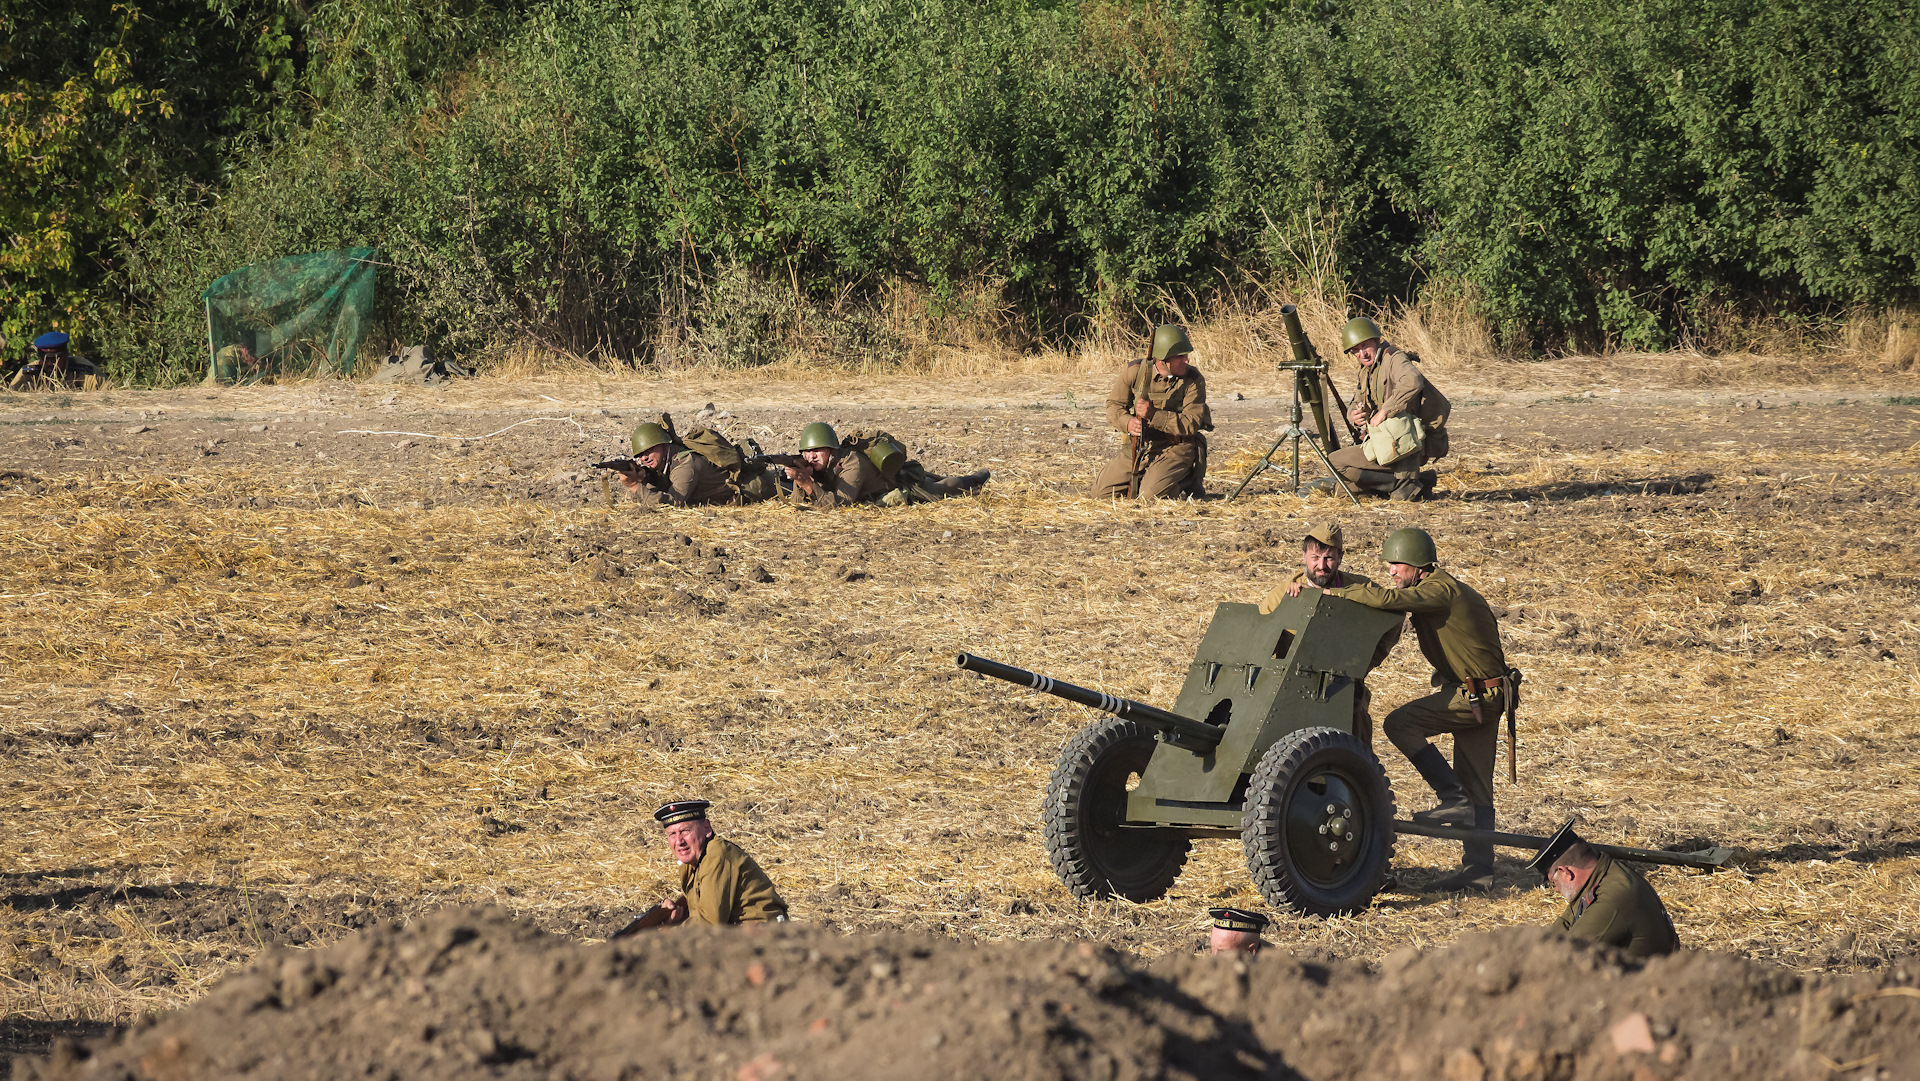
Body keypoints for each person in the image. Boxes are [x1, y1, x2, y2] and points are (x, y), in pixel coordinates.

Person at [1323, 527, 1517, 892]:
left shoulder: (1441, 589)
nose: (1392, 573)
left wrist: (1336, 591)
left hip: (1481, 697)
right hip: (1477, 696)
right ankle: (1479, 872)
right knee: (1479, 790)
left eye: (1396, 565)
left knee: (1400, 723)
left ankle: (1451, 797)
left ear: (1417, 565)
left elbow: (1385, 601)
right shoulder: (1432, 590)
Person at [1262, 522, 1404, 745]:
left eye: (1329, 558)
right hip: (1294, 693)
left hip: (1346, 692)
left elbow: (1394, 613)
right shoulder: (1283, 593)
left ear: (1340, 557)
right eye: (1315, 557)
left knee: (1357, 758)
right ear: (1304, 556)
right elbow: (1260, 635)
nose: (1321, 566)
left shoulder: (1359, 588)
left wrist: (1365, 663)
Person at [1314, 317, 1449, 502]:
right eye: (1356, 350)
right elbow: (1357, 400)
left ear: (1377, 340)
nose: (1362, 354)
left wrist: (1384, 411)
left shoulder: (1394, 358)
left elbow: (1412, 381)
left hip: (1408, 445)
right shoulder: (1366, 370)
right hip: (1386, 442)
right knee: (1343, 490)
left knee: (1335, 461)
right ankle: (1416, 482)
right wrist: (1354, 416)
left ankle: (1404, 484)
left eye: (1365, 346)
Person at [1090, 324, 1213, 500]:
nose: (1186, 360)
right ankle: (1148, 478)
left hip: (1175, 447)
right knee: (1100, 494)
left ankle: (1185, 479)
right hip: (1141, 445)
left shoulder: (1193, 381)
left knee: (1149, 497)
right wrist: (1128, 423)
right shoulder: (1134, 372)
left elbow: (1191, 424)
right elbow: (1114, 404)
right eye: (1180, 356)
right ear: (1161, 359)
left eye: (1186, 355)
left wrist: (1154, 415)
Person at [1527, 820, 1678, 957]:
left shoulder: (1612, 898)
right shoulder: (1602, 873)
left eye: (1554, 883)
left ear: (1565, 872)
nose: (1556, 890)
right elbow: (1564, 925)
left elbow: (1568, 956)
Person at [652, 799, 788, 926]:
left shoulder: (716, 856)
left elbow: (710, 925)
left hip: (763, 938)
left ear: (706, 828)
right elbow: (701, 912)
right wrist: (673, 918)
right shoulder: (692, 862)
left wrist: (664, 935)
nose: (679, 841)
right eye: (672, 834)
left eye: (685, 831)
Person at [614, 421, 778, 507]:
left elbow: (672, 504)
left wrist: (635, 486)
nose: (644, 458)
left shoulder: (685, 465)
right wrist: (644, 478)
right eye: (640, 455)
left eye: (649, 450)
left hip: (759, 487)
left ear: (664, 444)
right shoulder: (667, 460)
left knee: (794, 485)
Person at [783, 422, 892, 508]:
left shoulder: (852, 463)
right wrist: (799, 481)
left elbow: (841, 505)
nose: (812, 456)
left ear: (831, 450)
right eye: (807, 451)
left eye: (817, 450)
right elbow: (796, 503)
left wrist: (808, 484)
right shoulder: (819, 464)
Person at [9, 331, 99, 389]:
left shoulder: (85, 371)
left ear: (65, 354)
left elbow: (108, 396)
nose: (49, 363)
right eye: (45, 359)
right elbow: (11, 398)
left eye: (54, 359)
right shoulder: (28, 373)